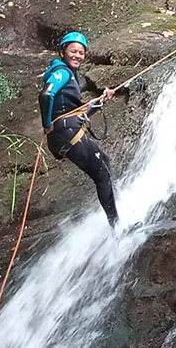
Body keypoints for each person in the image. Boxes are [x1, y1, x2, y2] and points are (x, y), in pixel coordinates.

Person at [39, 31, 120, 227]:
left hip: (64, 134)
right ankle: (117, 228)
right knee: (102, 175)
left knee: (105, 164)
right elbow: (46, 95)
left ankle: (115, 219)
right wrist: (47, 124)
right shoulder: (62, 72)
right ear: (63, 52)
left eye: (81, 53)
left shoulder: (68, 74)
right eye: (73, 51)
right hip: (66, 132)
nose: (77, 55)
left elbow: (76, 111)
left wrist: (102, 100)